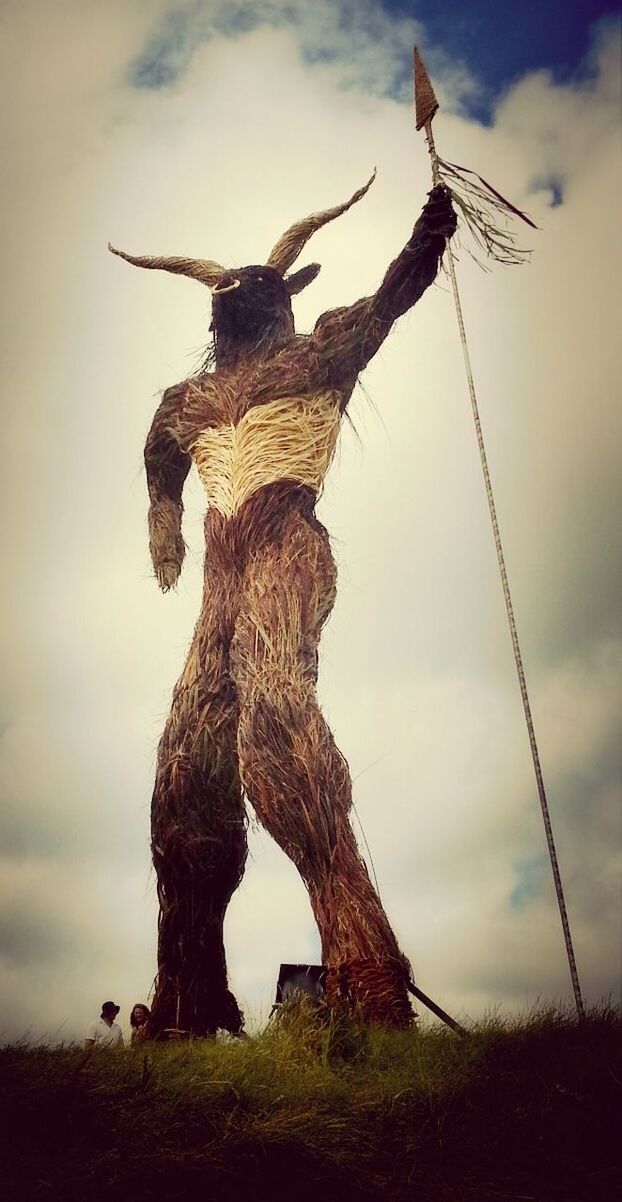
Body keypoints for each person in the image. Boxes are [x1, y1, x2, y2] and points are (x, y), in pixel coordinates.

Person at [110, 177, 456, 1034]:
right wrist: (166, 521)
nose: (238, 297)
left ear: (283, 297)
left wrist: (428, 235)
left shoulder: (317, 356)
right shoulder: (186, 403)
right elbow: (159, 455)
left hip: (284, 550)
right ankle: (190, 997)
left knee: (275, 730)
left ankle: (365, 965)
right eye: (231, 292)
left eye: (255, 286)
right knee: (184, 776)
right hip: (220, 586)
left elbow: (388, 302)